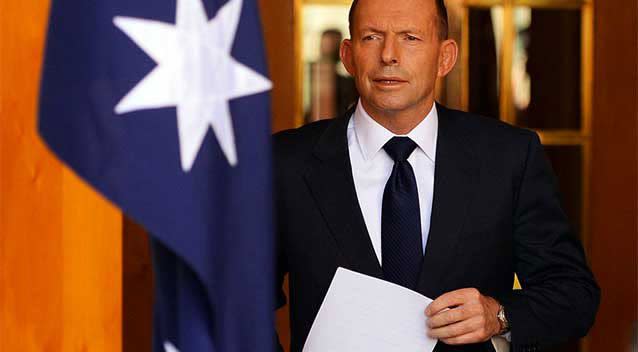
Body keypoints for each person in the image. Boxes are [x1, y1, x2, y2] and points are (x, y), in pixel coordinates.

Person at [273, 0, 600, 351]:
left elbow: (574, 294)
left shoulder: (508, 157)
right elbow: (240, 302)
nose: (389, 55)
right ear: (348, 55)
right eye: (371, 37)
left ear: (446, 57)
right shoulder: (283, 162)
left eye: (410, 38)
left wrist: (499, 315)